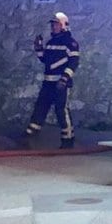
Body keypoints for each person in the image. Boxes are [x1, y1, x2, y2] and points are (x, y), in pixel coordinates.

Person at [26, 11, 80, 147]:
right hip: (48, 82)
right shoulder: (51, 42)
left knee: (61, 109)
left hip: (61, 82)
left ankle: (68, 138)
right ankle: (31, 132)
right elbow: (46, 60)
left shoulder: (71, 43)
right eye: (53, 25)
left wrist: (65, 78)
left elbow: (73, 62)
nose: (53, 27)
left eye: (56, 24)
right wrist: (39, 49)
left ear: (64, 25)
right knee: (41, 106)